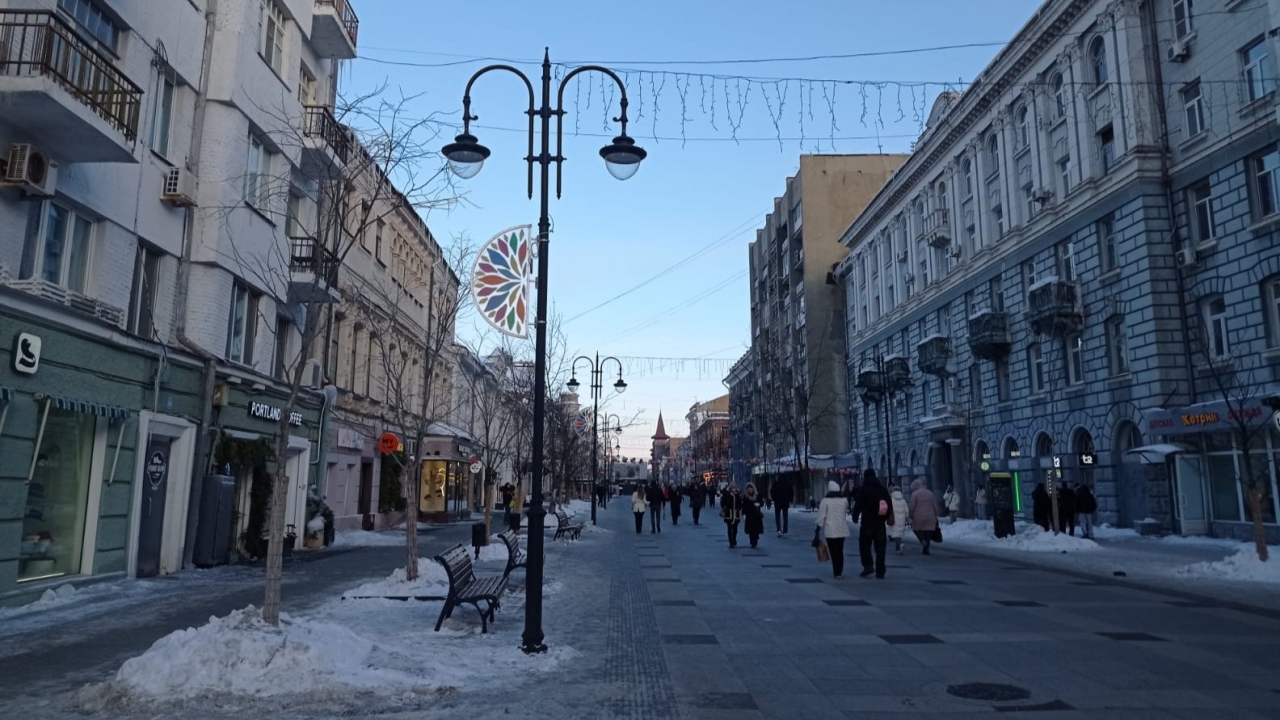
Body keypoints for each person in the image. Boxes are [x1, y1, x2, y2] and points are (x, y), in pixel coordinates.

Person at [851, 468, 893, 578]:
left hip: (867, 523)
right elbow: (889, 505)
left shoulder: (863, 490)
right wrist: (884, 517)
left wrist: (855, 517)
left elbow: (858, 505)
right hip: (879, 523)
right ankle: (880, 570)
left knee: (864, 545)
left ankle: (868, 565)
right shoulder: (882, 489)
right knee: (880, 548)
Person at [815, 480, 850, 578]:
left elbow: (822, 516)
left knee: (833, 550)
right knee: (840, 550)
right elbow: (845, 510)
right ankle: (840, 569)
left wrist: (818, 527)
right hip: (842, 528)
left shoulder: (825, 501)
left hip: (831, 530)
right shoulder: (844, 500)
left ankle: (836, 571)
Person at [907, 479, 940, 555]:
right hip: (930, 516)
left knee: (916, 530)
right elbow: (935, 505)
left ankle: (922, 541)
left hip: (918, 517)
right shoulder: (930, 493)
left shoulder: (915, 494)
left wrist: (910, 515)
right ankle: (926, 548)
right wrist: (936, 514)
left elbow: (912, 506)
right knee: (928, 532)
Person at [743, 483, 766, 548]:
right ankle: (752, 541)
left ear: (753, 488)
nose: (750, 490)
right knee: (751, 529)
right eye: (748, 489)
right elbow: (744, 506)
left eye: (751, 489)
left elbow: (762, 503)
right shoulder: (746, 496)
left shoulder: (757, 495)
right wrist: (743, 514)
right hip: (749, 515)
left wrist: (759, 504)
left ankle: (755, 540)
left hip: (756, 515)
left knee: (756, 529)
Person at [888, 484, 909, 553]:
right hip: (902, 519)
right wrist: (906, 516)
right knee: (899, 534)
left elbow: (888, 509)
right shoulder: (903, 500)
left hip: (894, 519)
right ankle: (898, 549)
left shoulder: (891, 500)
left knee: (894, 534)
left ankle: (900, 544)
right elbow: (906, 510)